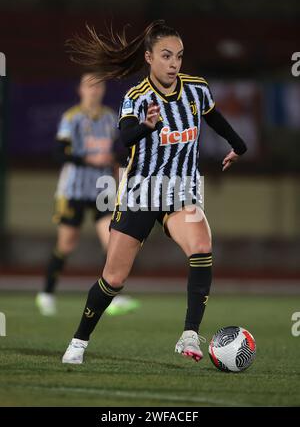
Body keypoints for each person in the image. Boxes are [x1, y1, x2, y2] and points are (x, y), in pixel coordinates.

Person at [62, 20, 247, 364]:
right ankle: (79, 340)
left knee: (202, 247)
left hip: (180, 193)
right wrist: (147, 127)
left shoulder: (196, 89)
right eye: (166, 55)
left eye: (178, 55)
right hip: (141, 193)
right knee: (113, 278)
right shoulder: (136, 97)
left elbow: (214, 117)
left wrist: (239, 145)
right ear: (149, 57)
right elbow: (124, 139)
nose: (174, 63)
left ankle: (190, 333)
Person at [36, 73, 140, 317]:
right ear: (80, 89)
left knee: (112, 241)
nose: (94, 90)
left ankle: (113, 297)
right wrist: (88, 158)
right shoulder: (71, 118)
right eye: (89, 85)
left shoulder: (109, 118)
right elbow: (59, 154)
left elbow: (116, 154)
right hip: (73, 190)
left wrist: (121, 177)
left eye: (99, 85)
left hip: (103, 188)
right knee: (66, 244)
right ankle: (47, 293)